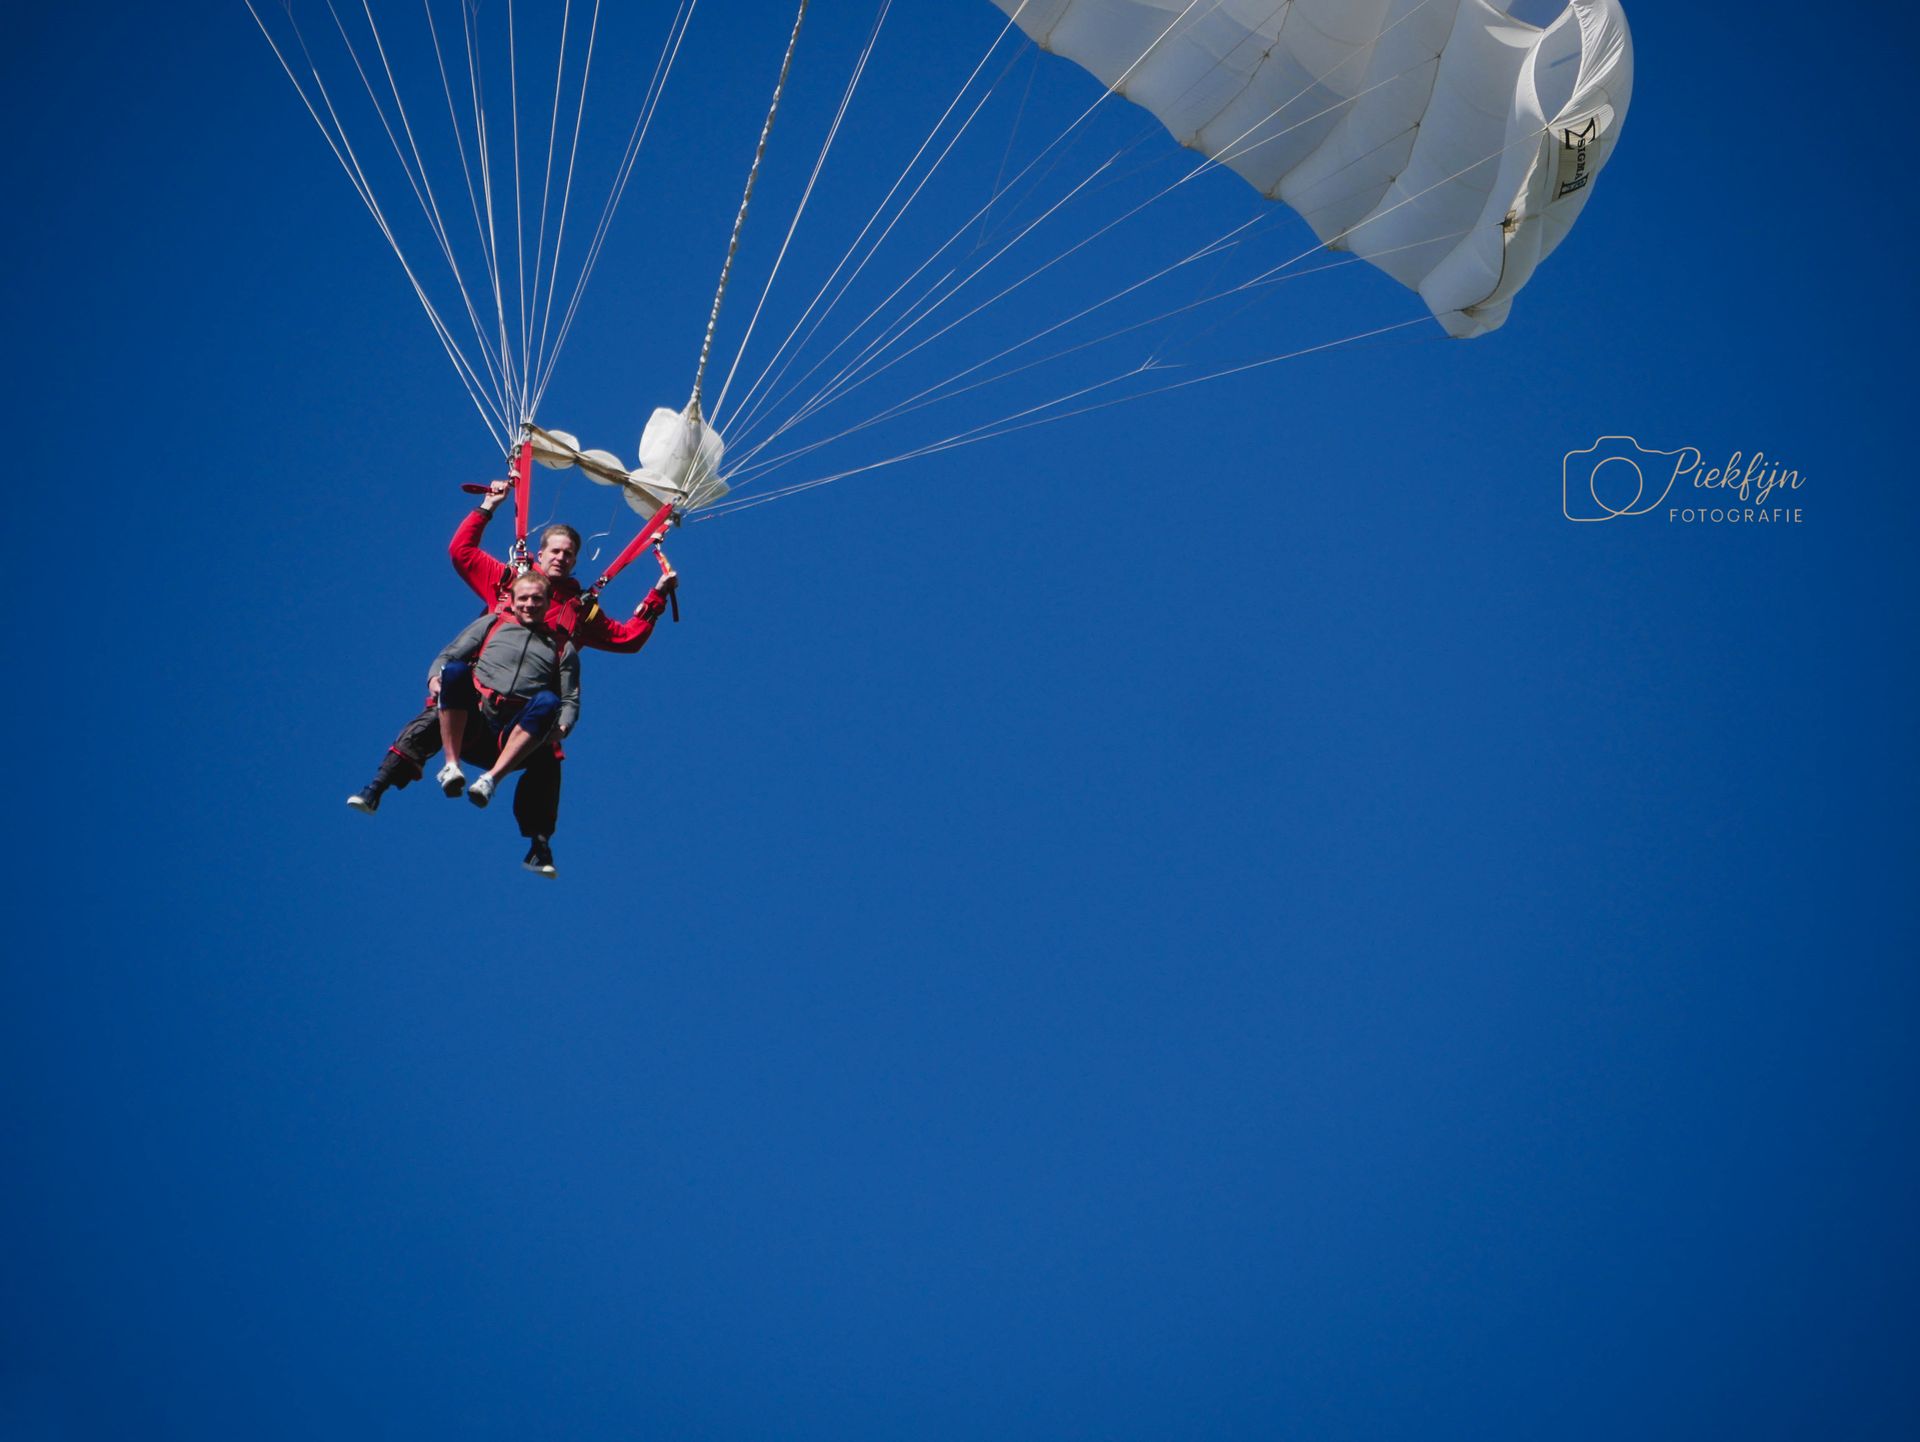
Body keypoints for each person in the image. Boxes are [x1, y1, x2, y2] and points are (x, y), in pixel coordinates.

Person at [345, 480, 678, 878]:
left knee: (548, 754)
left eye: (568, 555)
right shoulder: (507, 584)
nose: (561, 558)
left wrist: (656, 596)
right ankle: (379, 787)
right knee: (440, 703)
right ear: (540, 554)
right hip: (474, 714)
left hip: (520, 726)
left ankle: (538, 845)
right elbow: (461, 553)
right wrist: (488, 506)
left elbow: (627, 638)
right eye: (555, 551)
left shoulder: (580, 611)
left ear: (574, 562)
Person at [430, 568, 579, 815]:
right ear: (512, 600)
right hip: (474, 724)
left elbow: (570, 696)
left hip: (511, 735)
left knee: (549, 701)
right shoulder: (493, 624)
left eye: (537, 599)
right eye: (523, 599)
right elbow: (449, 654)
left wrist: (564, 725)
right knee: (454, 671)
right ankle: (451, 766)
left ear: (548, 602)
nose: (529, 604)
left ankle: (491, 780)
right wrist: (434, 678)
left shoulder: (562, 647)